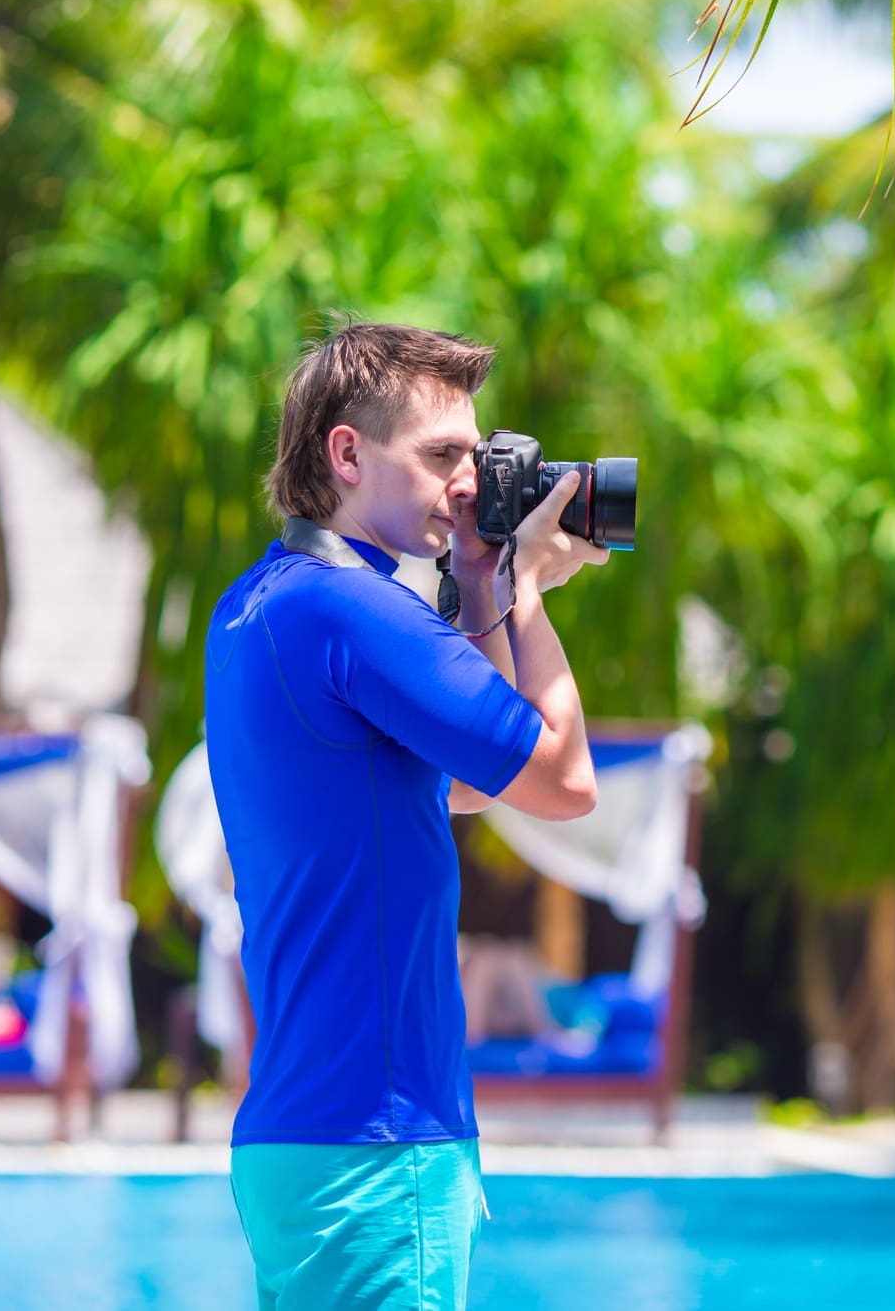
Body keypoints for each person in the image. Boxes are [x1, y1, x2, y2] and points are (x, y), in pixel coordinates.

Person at [204, 321, 606, 1309]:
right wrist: (528, 592)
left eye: (473, 457)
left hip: (303, 1133)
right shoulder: (359, 613)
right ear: (346, 453)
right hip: (379, 1144)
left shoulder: (259, 606)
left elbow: (465, 780)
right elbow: (559, 779)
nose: (466, 484)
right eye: (439, 457)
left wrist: (474, 583)